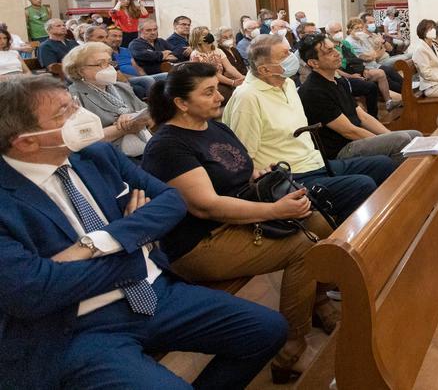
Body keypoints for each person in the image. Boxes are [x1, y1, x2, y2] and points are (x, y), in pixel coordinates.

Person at [0, 75, 287, 389]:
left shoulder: (95, 154)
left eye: (74, 105)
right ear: (26, 141)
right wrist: (134, 246)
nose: (80, 116)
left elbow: (171, 201)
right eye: (63, 114)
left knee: (267, 330)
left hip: (154, 290)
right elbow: (35, 291)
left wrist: (97, 242)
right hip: (78, 326)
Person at [141, 63, 339, 383]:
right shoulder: (168, 145)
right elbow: (206, 207)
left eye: (216, 88)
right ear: (181, 103)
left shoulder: (214, 127)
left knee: (320, 223)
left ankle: (316, 300)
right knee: (305, 246)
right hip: (201, 242)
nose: (219, 96)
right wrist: (275, 211)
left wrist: (260, 173)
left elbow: (239, 167)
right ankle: (292, 345)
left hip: (237, 219)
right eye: (208, 92)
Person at [222, 34, 397, 224]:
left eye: (289, 51)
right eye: (284, 55)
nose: (292, 57)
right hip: (291, 175)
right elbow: (245, 157)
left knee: (383, 164)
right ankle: (346, 243)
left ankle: (387, 225)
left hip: (314, 162)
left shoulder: (287, 83)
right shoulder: (247, 98)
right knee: (362, 185)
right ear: (264, 69)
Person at [297, 34, 420, 164]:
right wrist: (386, 141)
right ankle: (401, 182)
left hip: (354, 140)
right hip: (341, 149)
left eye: (334, 48)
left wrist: (388, 136)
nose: (337, 53)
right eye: (329, 51)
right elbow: (349, 131)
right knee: (400, 140)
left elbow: (363, 117)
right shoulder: (314, 91)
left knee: (414, 135)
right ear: (313, 62)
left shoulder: (339, 81)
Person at [63, 42, 153, 161]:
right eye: (101, 64)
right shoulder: (73, 96)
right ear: (80, 70)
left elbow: (150, 113)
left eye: (110, 62)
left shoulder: (121, 87)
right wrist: (125, 127)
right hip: (110, 158)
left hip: (145, 147)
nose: (109, 68)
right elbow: (82, 138)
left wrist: (132, 117)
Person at [343, 18, 402, 112]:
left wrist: (374, 53)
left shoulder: (361, 38)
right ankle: (404, 94)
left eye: (361, 28)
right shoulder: (349, 42)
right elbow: (367, 57)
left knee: (390, 72)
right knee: (384, 73)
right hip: (365, 67)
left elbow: (373, 54)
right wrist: (375, 53)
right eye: (356, 28)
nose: (359, 30)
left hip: (374, 64)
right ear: (350, 30)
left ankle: (406, 92)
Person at [189, 25, 245, 104]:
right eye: (205, 35)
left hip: (220, 81)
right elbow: (213, 74)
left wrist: (242, 78)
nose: (209, 36)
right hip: (206, 83)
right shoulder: (196, 55)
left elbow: (229, 67)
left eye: (209, 33)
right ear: (198, 39)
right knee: (228, 93)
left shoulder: (217, 51)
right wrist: (232, 82)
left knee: (242, 88)